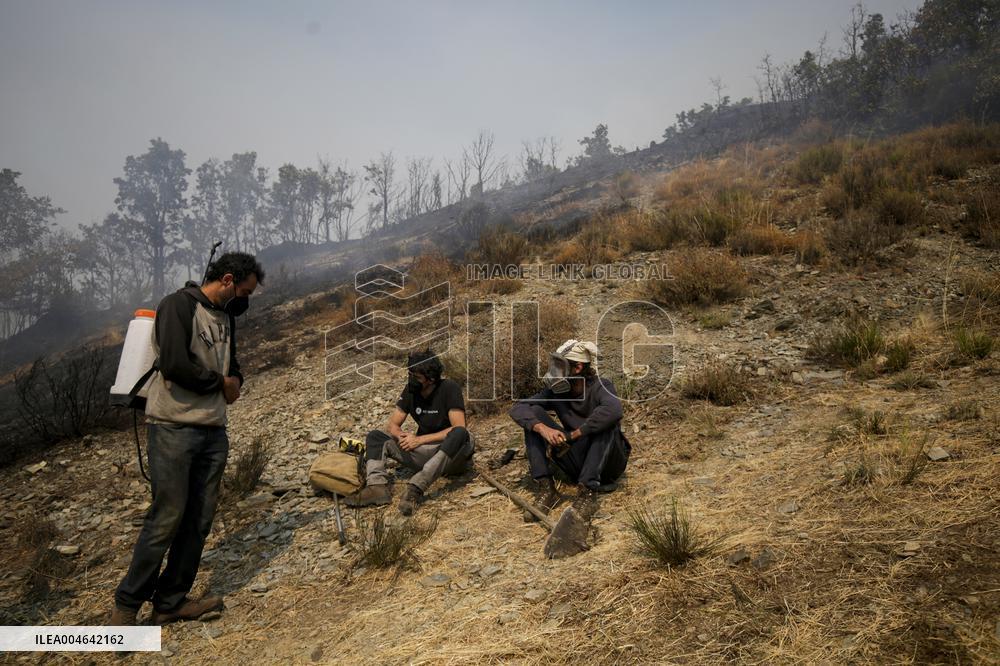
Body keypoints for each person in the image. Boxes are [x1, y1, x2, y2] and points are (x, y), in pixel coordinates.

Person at [110, 252, 263, 626]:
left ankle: (170, 602)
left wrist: (235, 381)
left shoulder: (226, 317)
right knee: (167, 516)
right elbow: (176, 363)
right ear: (227, 279)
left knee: (198, 520)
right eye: (243, 291)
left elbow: (232, 365)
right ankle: (126, 607)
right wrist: (220, 384)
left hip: (213, 430)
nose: (244, 300)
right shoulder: (178, 305)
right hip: (174, 427)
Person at [509, 339, 630, 520]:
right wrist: (543, 429)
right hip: (579, 462)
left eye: (559, 366)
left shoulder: (601, 386)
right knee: (532, 415)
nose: (554, 371)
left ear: (578, 368)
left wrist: (574, 434)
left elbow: (613, 410)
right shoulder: (557, 392)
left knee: (606, 423)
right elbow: (518, 408)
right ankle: (546, 488)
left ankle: (587, 493)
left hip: (608, 464)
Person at [345, 350, 472, 515]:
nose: (412, 379)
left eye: (417, 377)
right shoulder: (410, 391)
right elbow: (393, 425)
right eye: (410, 374)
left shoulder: (449, 388)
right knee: (376, 437)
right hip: (423, 454)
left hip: (450, 455)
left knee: (461, 433)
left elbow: (458, 426)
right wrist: (401, 436)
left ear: (431, 379)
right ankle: (376, 488)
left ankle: (416, 487)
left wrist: (419, 440)